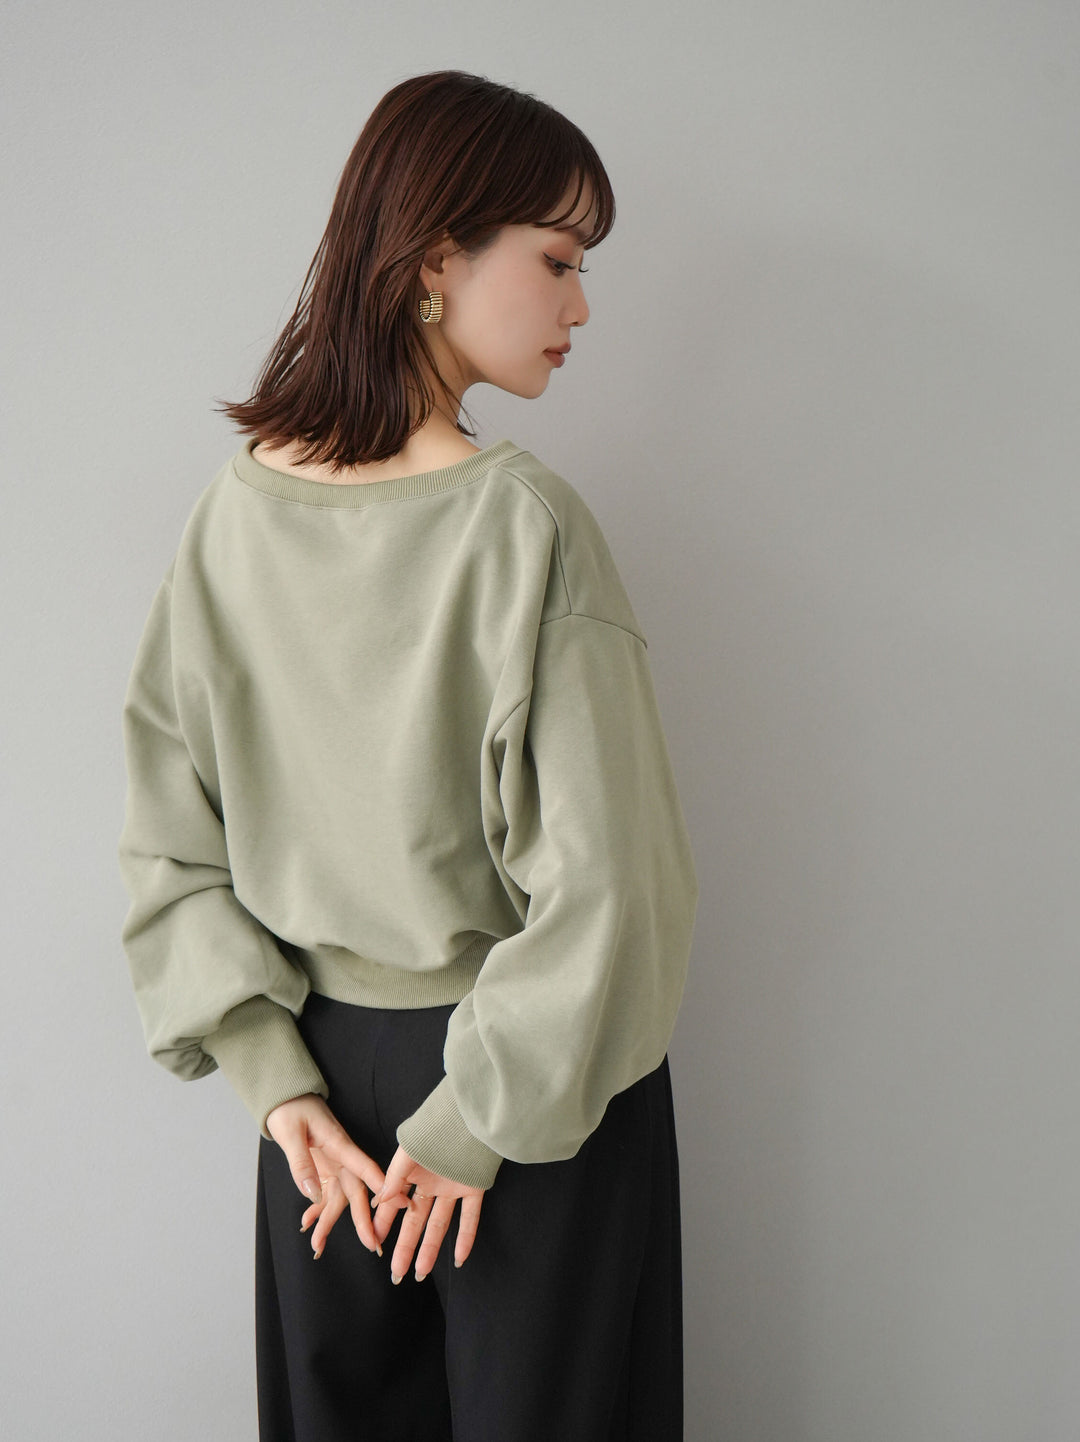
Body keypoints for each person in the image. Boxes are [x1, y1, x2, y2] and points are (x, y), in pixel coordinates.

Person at [116, 68, 699, 1442]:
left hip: (322, 1108)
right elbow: (615, 889)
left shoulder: (233, 514)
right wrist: (470, 1123)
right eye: (557, 258)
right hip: (532, 1092)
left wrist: (277, 1081)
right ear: (437, 258)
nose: (580, 305)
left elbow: (166, 842)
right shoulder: (527, 526)